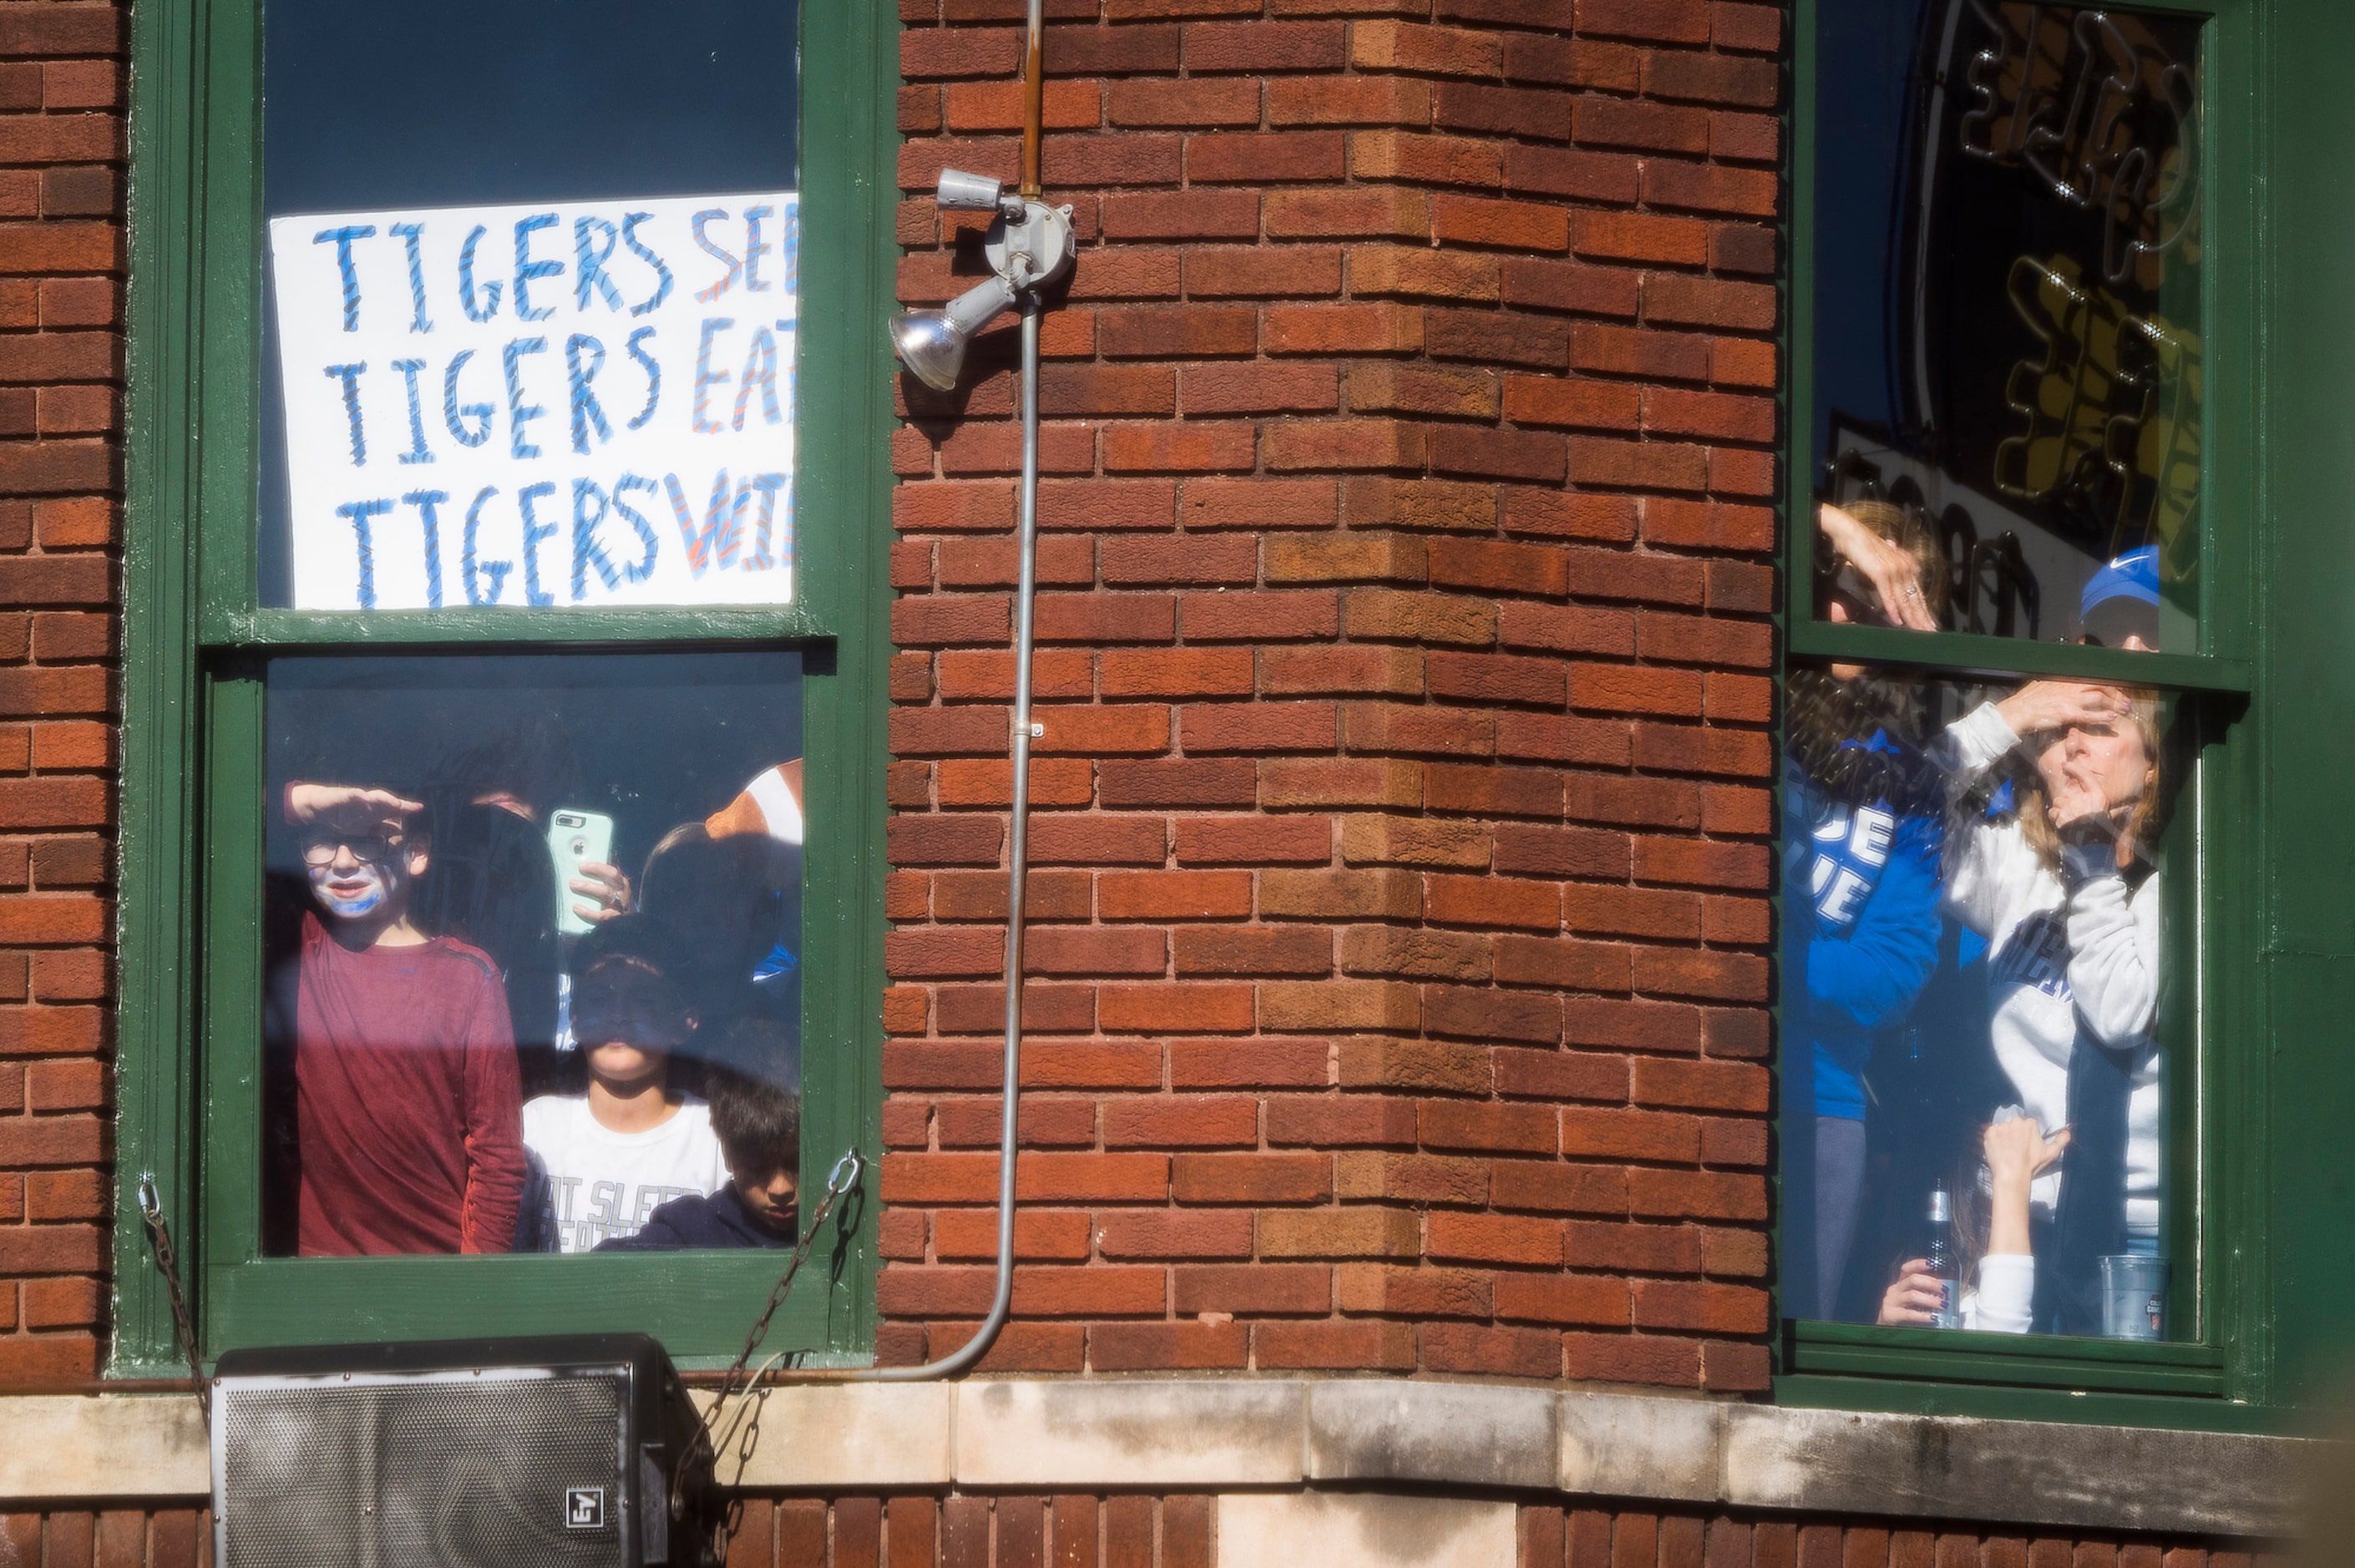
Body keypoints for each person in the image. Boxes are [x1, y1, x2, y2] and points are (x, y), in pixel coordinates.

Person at [1933, 675, 2165, 1332]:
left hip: (2140, 1231)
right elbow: (1908, 816)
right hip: (2016, 1214)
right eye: (2056, 734)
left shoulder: (2184, 887)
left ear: (2151, 766)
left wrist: (2093, 863)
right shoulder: (2017, 864)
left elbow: (2118, 1014)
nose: (2072, 748)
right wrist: (2007, 717)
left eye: (2097, 730)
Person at [1782, 500, 1948, 1320]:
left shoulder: (1915, 781)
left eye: (1882, 594)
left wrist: (1767, 966)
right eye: (1842, 583)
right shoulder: (1757, 699)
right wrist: (1836, 525)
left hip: (1826, 1108)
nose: (1851, 610)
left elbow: (1895, 973)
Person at [271, 781, 527, 1255]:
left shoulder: (469, 978)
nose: (344, 861)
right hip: (321, 1279)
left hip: (434, 1277)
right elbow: (216, 830)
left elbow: (499, 1159)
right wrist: (300, 800)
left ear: (417, 853)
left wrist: (473, 1291)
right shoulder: (301, 949)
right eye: (323, 839)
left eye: (368, 839)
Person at [521, 915, 727, 1252]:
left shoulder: (716, 1138)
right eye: (600, 998)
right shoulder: (535, 1126)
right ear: (573, 1019)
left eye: (642, 999)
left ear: (685, 1021)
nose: (619, 1014)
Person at [1878, 1111, 2073, 1333]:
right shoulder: (1911, 1252)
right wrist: (1882, 1330)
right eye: (1993, 1150)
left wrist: (2012, 1178)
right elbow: (1996, 1349)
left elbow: (1998, 1348)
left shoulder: (2059, 1274)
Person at [598, 1052, 801, 1251]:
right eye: (758, 1168)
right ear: (728, 1156)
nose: (781, 1189)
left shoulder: (831, 1229)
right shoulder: (695, 1232)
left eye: (798, 1165)